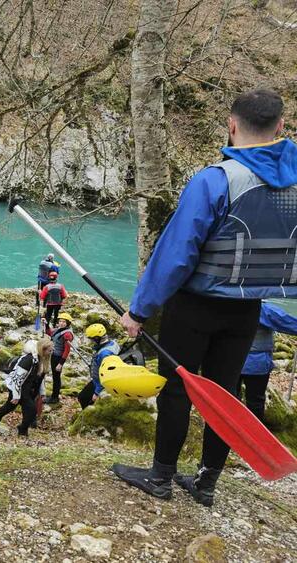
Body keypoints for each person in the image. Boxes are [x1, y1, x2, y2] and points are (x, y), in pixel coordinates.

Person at [115, 89, 297, 506]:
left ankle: (160, 477)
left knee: (178, 390)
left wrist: (140, 309)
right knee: (225, 393)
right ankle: (206, 482)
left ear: (232, 126)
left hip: (195, 306)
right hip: (249, 308)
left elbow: (176, 254)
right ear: (281, 128)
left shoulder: (215, 180)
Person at [239, 303, 297, 421]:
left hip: (230, 362)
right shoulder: (264, 309)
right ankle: (255, 434)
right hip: (257, 364)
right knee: (256, 402)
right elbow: (288, 323)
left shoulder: (228, 307)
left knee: (230, 399)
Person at [0, 338, 53, 436]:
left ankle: (22, 428)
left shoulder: (42, 361)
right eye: (50, 350)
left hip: (29, 389)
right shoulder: (28, 360)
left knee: (24, 409)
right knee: (25, 408)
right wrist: (15, 395)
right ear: (42, 349)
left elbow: (41, 378)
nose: (51, 352)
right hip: (18, 388)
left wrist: (42, 392)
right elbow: (17, 379)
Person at [78, 324, 119, 410]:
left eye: (91, 339)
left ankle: (88, 417)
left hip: (100, 383)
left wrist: (96, 393)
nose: (90, 342)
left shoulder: (104, 354)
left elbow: (106, 374)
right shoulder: (112, 343)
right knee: (82, 397)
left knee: (83, 398)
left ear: (97, 338)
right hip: (97, 381)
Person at [44, 312, 75, 404]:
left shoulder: (67, 334)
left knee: (56, 377)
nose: (61, 323)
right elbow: (49, 333)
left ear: (68, 323)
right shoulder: (59, 329)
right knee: (55, 376)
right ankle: (54, 395)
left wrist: (60, 364)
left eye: (64, 322)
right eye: (60, 321)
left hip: (58, 357)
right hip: (54, 355)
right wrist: (46, 324)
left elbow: (67, 350)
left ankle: (55, 397)